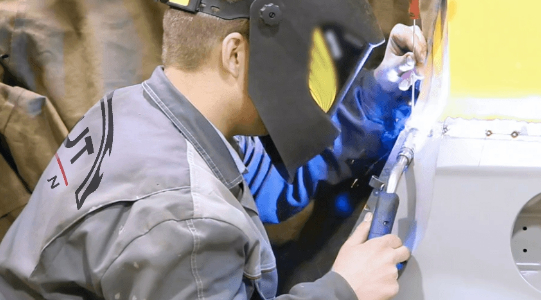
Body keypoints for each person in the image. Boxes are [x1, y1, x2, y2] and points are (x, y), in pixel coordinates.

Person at [0, 0, 427, 299]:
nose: (307, 89)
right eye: (305, 68)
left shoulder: (146, 109)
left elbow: (274, 183)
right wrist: (343, 290)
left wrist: (382, 92)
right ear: (236, 55)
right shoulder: (182, 218)